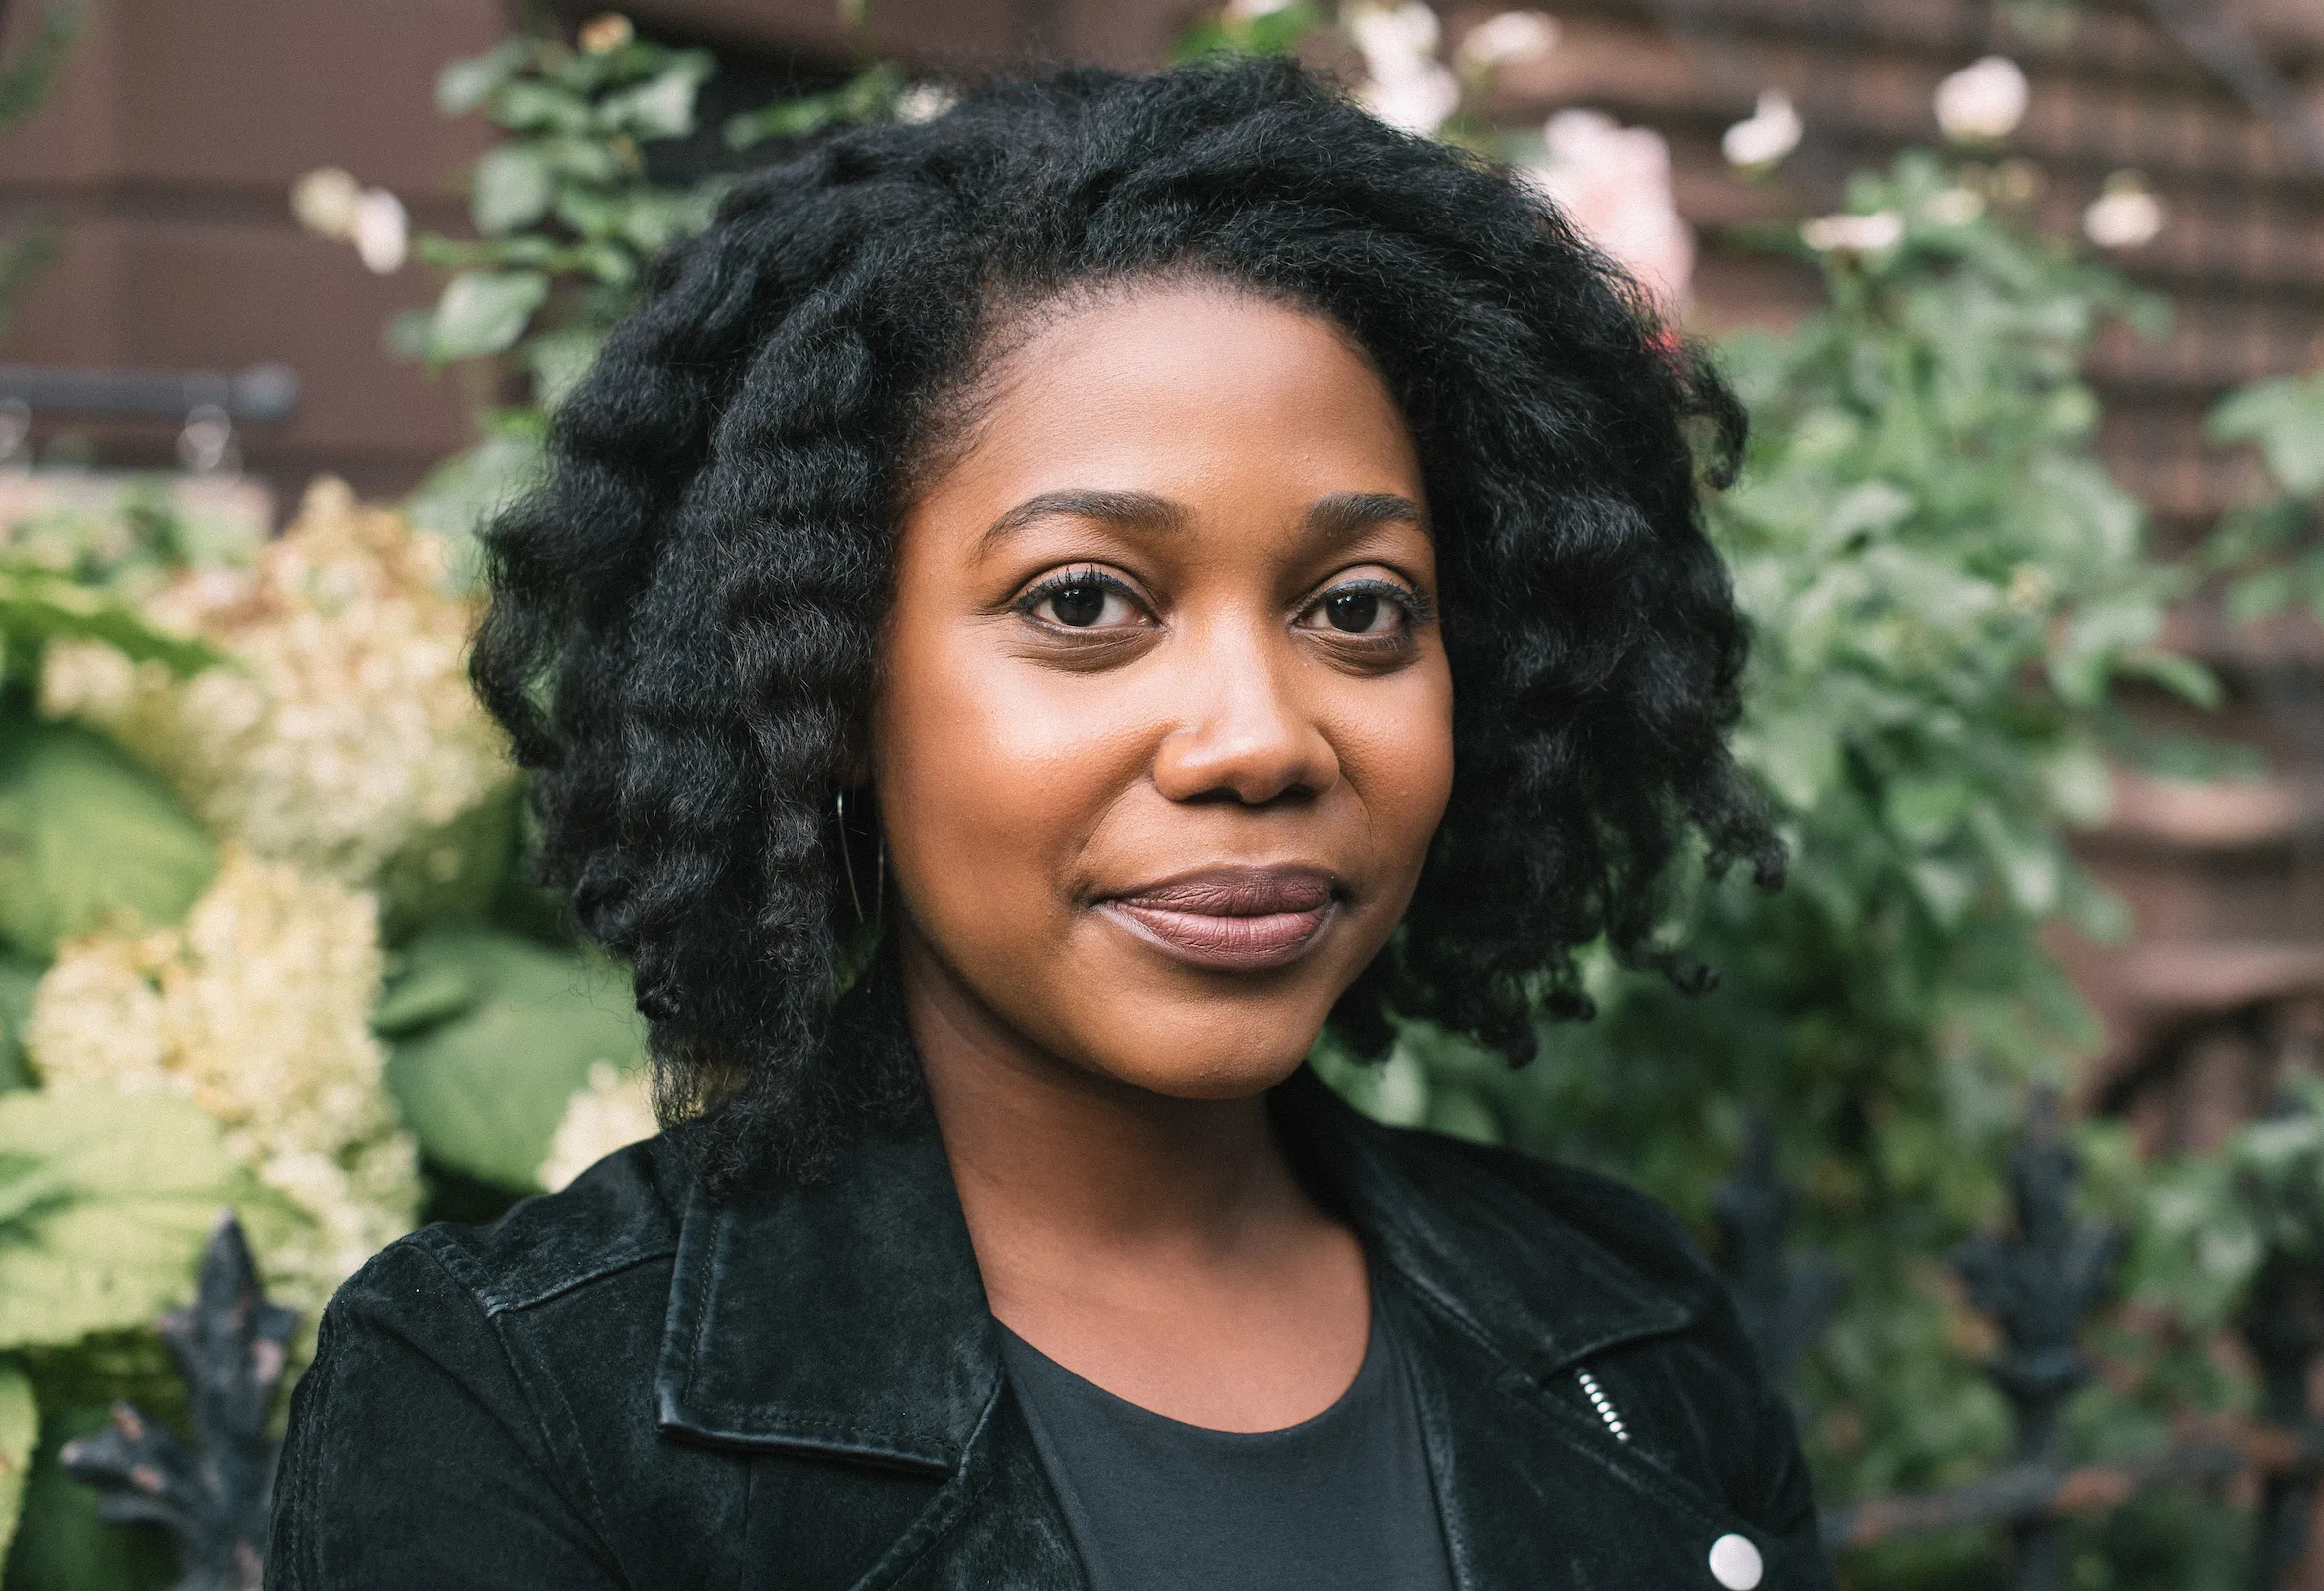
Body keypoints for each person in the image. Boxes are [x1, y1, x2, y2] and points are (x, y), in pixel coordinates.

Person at [267, 57, 1825, 1591]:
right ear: (830, 672)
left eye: (1358, 607)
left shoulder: (1632, 1337)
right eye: (1084, 601)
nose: (1260, 738)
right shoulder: (520, 1405)